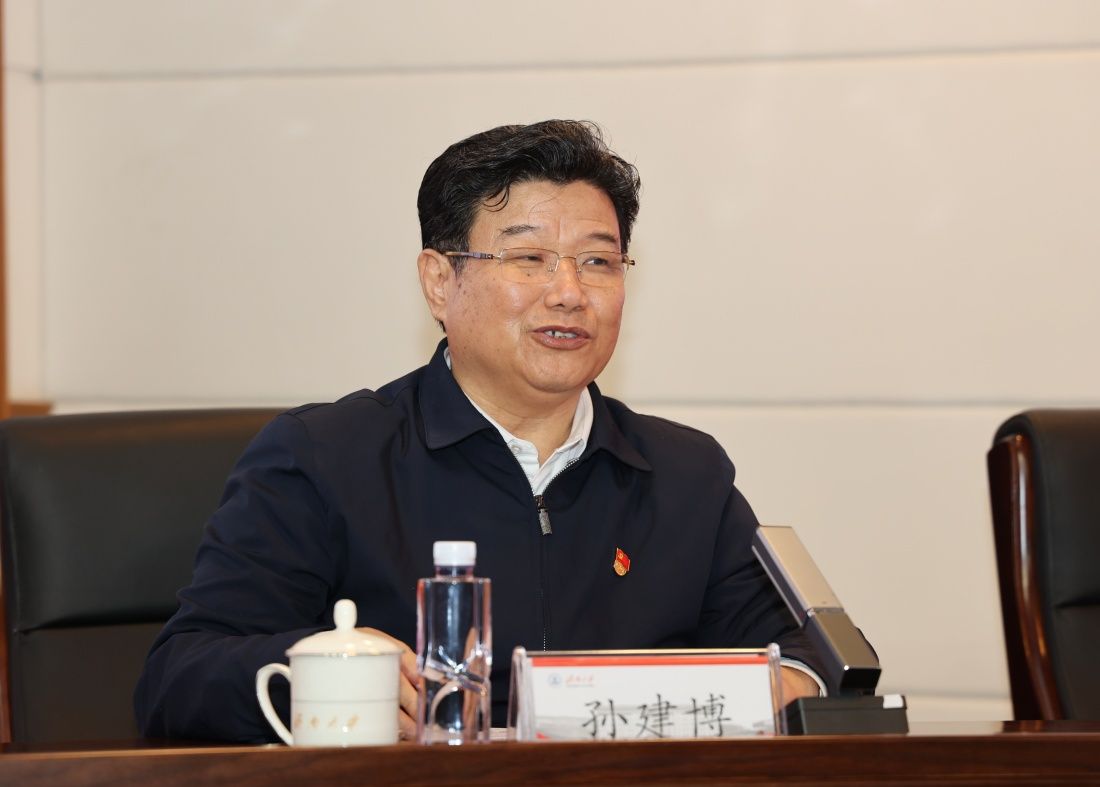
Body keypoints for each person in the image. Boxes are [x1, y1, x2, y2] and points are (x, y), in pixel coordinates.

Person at [135, 120, 827, 742]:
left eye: (598, 261)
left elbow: (810, 661)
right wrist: (324, 674)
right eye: (529, 259)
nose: (569, 292)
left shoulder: (684, 473)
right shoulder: (325, 457)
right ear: (440, 282)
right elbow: (177, 679)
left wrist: (786, 687)